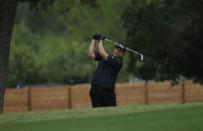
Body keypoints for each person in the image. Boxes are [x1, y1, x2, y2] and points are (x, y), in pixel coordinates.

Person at [88, 34, 126, 107]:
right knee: (97, 113)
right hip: (95, 90)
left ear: (123, 54)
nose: (117, 51)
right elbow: (91, 55)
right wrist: (93, 40)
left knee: (113, 113)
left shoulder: (118, 62)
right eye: (116, 49)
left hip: (107, 92)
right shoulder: (106, 56)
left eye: (120, 50)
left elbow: (102, 53)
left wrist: (100, 41)